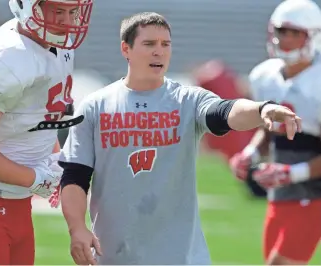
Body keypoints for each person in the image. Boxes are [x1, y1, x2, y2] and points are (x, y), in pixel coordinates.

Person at [54, 12, 301, 265]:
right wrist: (76, 229)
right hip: (114, 256)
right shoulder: (95, 106)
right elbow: (75, 175)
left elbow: (225, 112)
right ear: (125, 49)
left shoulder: (187, 100)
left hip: (181, 258)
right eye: (149, 44)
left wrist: (261, 109)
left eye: (165, 44)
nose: (159, 52)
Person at [0, 0, 93, 265]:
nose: (68, 21)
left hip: (17, 204)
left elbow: (36, 120)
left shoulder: (59, 48)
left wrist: (53, 163)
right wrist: (34, 178)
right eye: (57, 11)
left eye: (73, 11)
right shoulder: (5, 55)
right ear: (27, 7)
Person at [229, 0, 321, 264]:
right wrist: (250, 153)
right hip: (281, 195)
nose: (287, 39)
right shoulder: (265, 76)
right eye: (283, 32)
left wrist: (290, 172)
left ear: (313, 37)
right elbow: (269, 132)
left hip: (314, 194)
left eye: (295, 33)